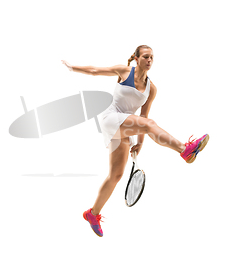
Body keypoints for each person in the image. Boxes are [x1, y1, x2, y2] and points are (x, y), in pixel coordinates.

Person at [61, 45, 209, 237]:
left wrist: (140, 143)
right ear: (137, 59)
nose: (149, 60)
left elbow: (144, 116)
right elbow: (95, 71)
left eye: (152, 58)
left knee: (116, 175)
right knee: (149, 124)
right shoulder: (124, 71)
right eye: (146, 57)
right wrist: (73, 68)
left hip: (126, 127)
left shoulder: (152, 89)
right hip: (111, 118)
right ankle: (184, 149)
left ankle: (93, 213)